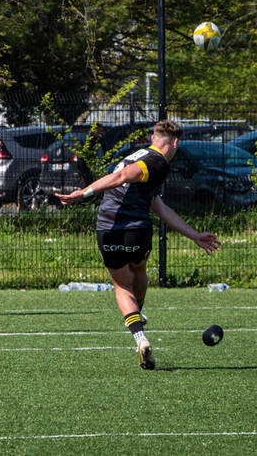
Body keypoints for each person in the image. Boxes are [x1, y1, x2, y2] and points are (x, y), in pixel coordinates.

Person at [57, 119, 221, 370]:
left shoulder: (136, 156)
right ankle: (138, 318)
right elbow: (122, 176)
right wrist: (83, 193)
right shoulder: (157, 162)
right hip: (135, 230)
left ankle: (139, 334)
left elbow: (158, 206)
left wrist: (194, 235)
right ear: (175, 143)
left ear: (153, 138)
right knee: (138, 270)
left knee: (122, 284)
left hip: (107, 229)